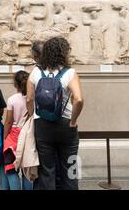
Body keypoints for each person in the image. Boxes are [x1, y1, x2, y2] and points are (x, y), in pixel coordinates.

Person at [26, 37, 84, 190]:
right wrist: (73, 121)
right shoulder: (70, 73)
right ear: (63, 53)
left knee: (47, 169)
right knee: (71, 167)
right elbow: (78, 99)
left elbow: (29, 99)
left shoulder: (36, 72)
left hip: (42, 125)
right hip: (66, 125)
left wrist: (32, 115)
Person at [3, 71, 34, 190]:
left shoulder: (12, 99)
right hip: (28, 136)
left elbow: (9, 122)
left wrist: (4, 138)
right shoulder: (33, 98)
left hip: (13, 137)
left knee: (11, 170)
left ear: (15, 84)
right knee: (27, 170)